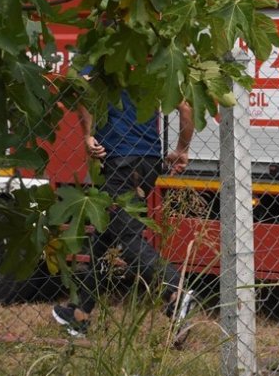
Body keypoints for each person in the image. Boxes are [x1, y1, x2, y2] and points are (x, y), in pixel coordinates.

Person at [51, 91, 196, 338]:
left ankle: (176, 291)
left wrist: (87, 135)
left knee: (127, 237)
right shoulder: (150, 61)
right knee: (104, 234)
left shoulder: (104, 55)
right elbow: (185, 108)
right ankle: (79, 314)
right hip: (149, 161)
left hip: (120, 161)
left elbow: (85, 89)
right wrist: (182, 149)